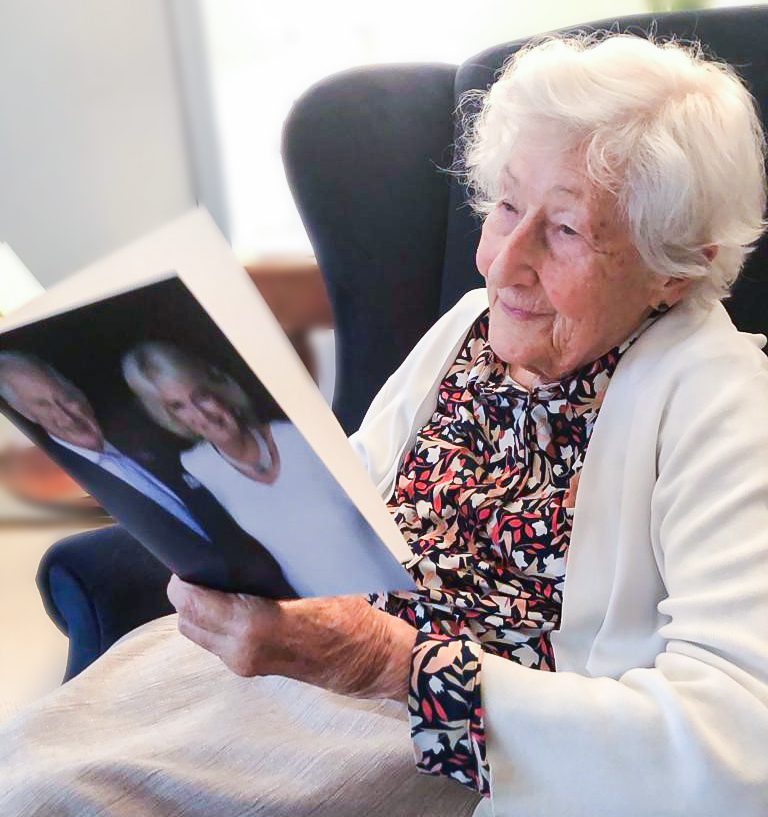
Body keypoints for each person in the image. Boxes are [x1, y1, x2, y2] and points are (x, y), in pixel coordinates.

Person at [0, 32, 767, 816]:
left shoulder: (721, 399)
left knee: (61, 797)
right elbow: (358, 488)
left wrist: (386, 664)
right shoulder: (472, 324)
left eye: (565, 230)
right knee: (26, 758)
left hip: (443, 734)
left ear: (677, 270)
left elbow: (740, 736)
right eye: (505, 206)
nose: (501, 265)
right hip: (310, 658)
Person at [122, 342, 413, 597]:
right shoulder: (196, 471)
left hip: (409, 592)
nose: (200, 414)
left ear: (216, 385)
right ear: (168, 416)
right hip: (334, 623)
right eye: (178, 406)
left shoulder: (300, 436)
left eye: (200, 395)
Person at [0, 351, 296, 597]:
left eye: (65, 396)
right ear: (25, 414)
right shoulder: (62, 486)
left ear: (74, 388)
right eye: (43, 405)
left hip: (282, 568)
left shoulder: (147, 429)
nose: (67, 413)